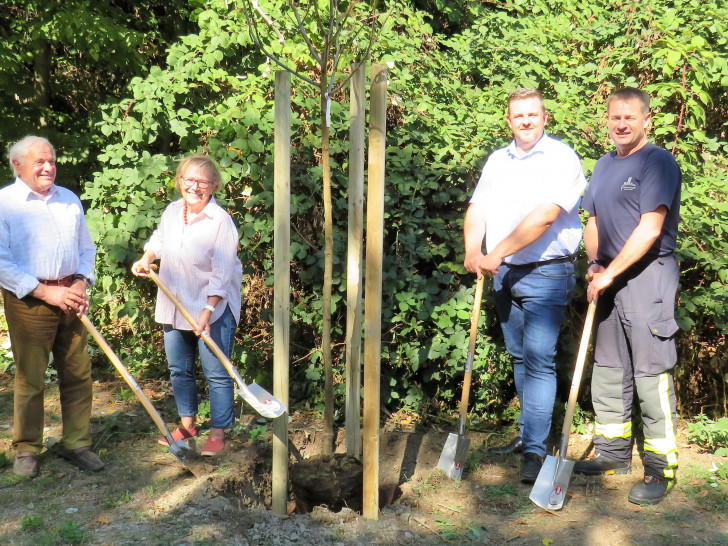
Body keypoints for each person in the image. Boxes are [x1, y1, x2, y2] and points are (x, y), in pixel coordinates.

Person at [463, 88, 587, 484]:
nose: (526, 121)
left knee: (538, 359)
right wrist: (472, 249)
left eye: (533, 114)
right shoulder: (498, 160)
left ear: (545, 117)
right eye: (519, 116)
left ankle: (535, 451)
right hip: (504, 274)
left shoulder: (561, 158)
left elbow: (546, 216)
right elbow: (477, 207)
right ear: (509, 120)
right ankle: (528, 436)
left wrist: (495, 251)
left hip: (547, 272)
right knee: (519, 357)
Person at [574, 87, 682, 506]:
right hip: (611, 280)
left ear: (646, 120)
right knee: (608, 370)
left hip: (648, 278)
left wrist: (612, 272)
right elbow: (594, 220)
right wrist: (596, 264)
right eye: (615, 118)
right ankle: (613, 455)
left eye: (629, 118)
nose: (621, 124)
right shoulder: (603, 165)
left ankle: (660, 469)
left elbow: (651, 228)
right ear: (608, 120)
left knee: (651, 374)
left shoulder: (658, 162)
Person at [0, 135, 105, 477]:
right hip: (29, 301)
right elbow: (2, 262)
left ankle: (77, 443)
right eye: (39, 162)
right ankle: (27, 450)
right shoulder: (5, 203)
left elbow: (86, 249)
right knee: (31, 378)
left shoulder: (69, 199)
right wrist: (47, 293)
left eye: (51, 161)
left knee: (77, 373)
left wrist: (79, 282)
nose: (48, 167)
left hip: (71, 298)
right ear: (18, 165)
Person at [131, 154, 242, 457]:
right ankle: (188, 425)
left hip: (212, 309)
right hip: (174, 303)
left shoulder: (220, 222)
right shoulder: (171, 211)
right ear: (179, 180)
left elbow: (223, 272)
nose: (194, 186)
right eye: (188, 179)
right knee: (180, 370)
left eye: (202, 181)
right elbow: (159, 240)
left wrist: (207, 312)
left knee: (216, 373)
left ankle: (218, 432)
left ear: (214, 185)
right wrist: (147, 258)